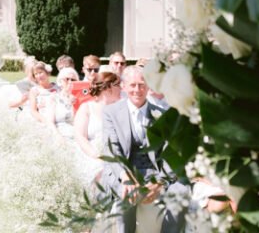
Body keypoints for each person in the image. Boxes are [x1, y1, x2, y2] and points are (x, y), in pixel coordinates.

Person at [100, 65, 186, 232]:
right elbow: (112, 149)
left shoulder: (163, 114)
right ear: (123, 87)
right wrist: (125, 177)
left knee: (181, 191)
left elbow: (172, 153)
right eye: (132, 85)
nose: (137, 90)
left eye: (142, 84)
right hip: (124, 171)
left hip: (156, 172)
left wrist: (161, 182)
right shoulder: (110, 113)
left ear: (148, 86)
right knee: (125, 194)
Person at [73, 72, 122, 185]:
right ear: (108, 87)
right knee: (100, 172)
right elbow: (80, 137)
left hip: (117, 153)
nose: (121, 88)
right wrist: (97, 155)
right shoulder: (86, 107)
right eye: (118, 85)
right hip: (91, 154)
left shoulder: (122, 107)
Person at [44, 67, 79, 137]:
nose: (70, 82)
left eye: (73, 79)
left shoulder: (80, 99)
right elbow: (50, 122)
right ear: (60, 81)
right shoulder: (53, 98)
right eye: (67, 79)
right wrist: (58, 137)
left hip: (77, 135)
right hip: (59, 133)